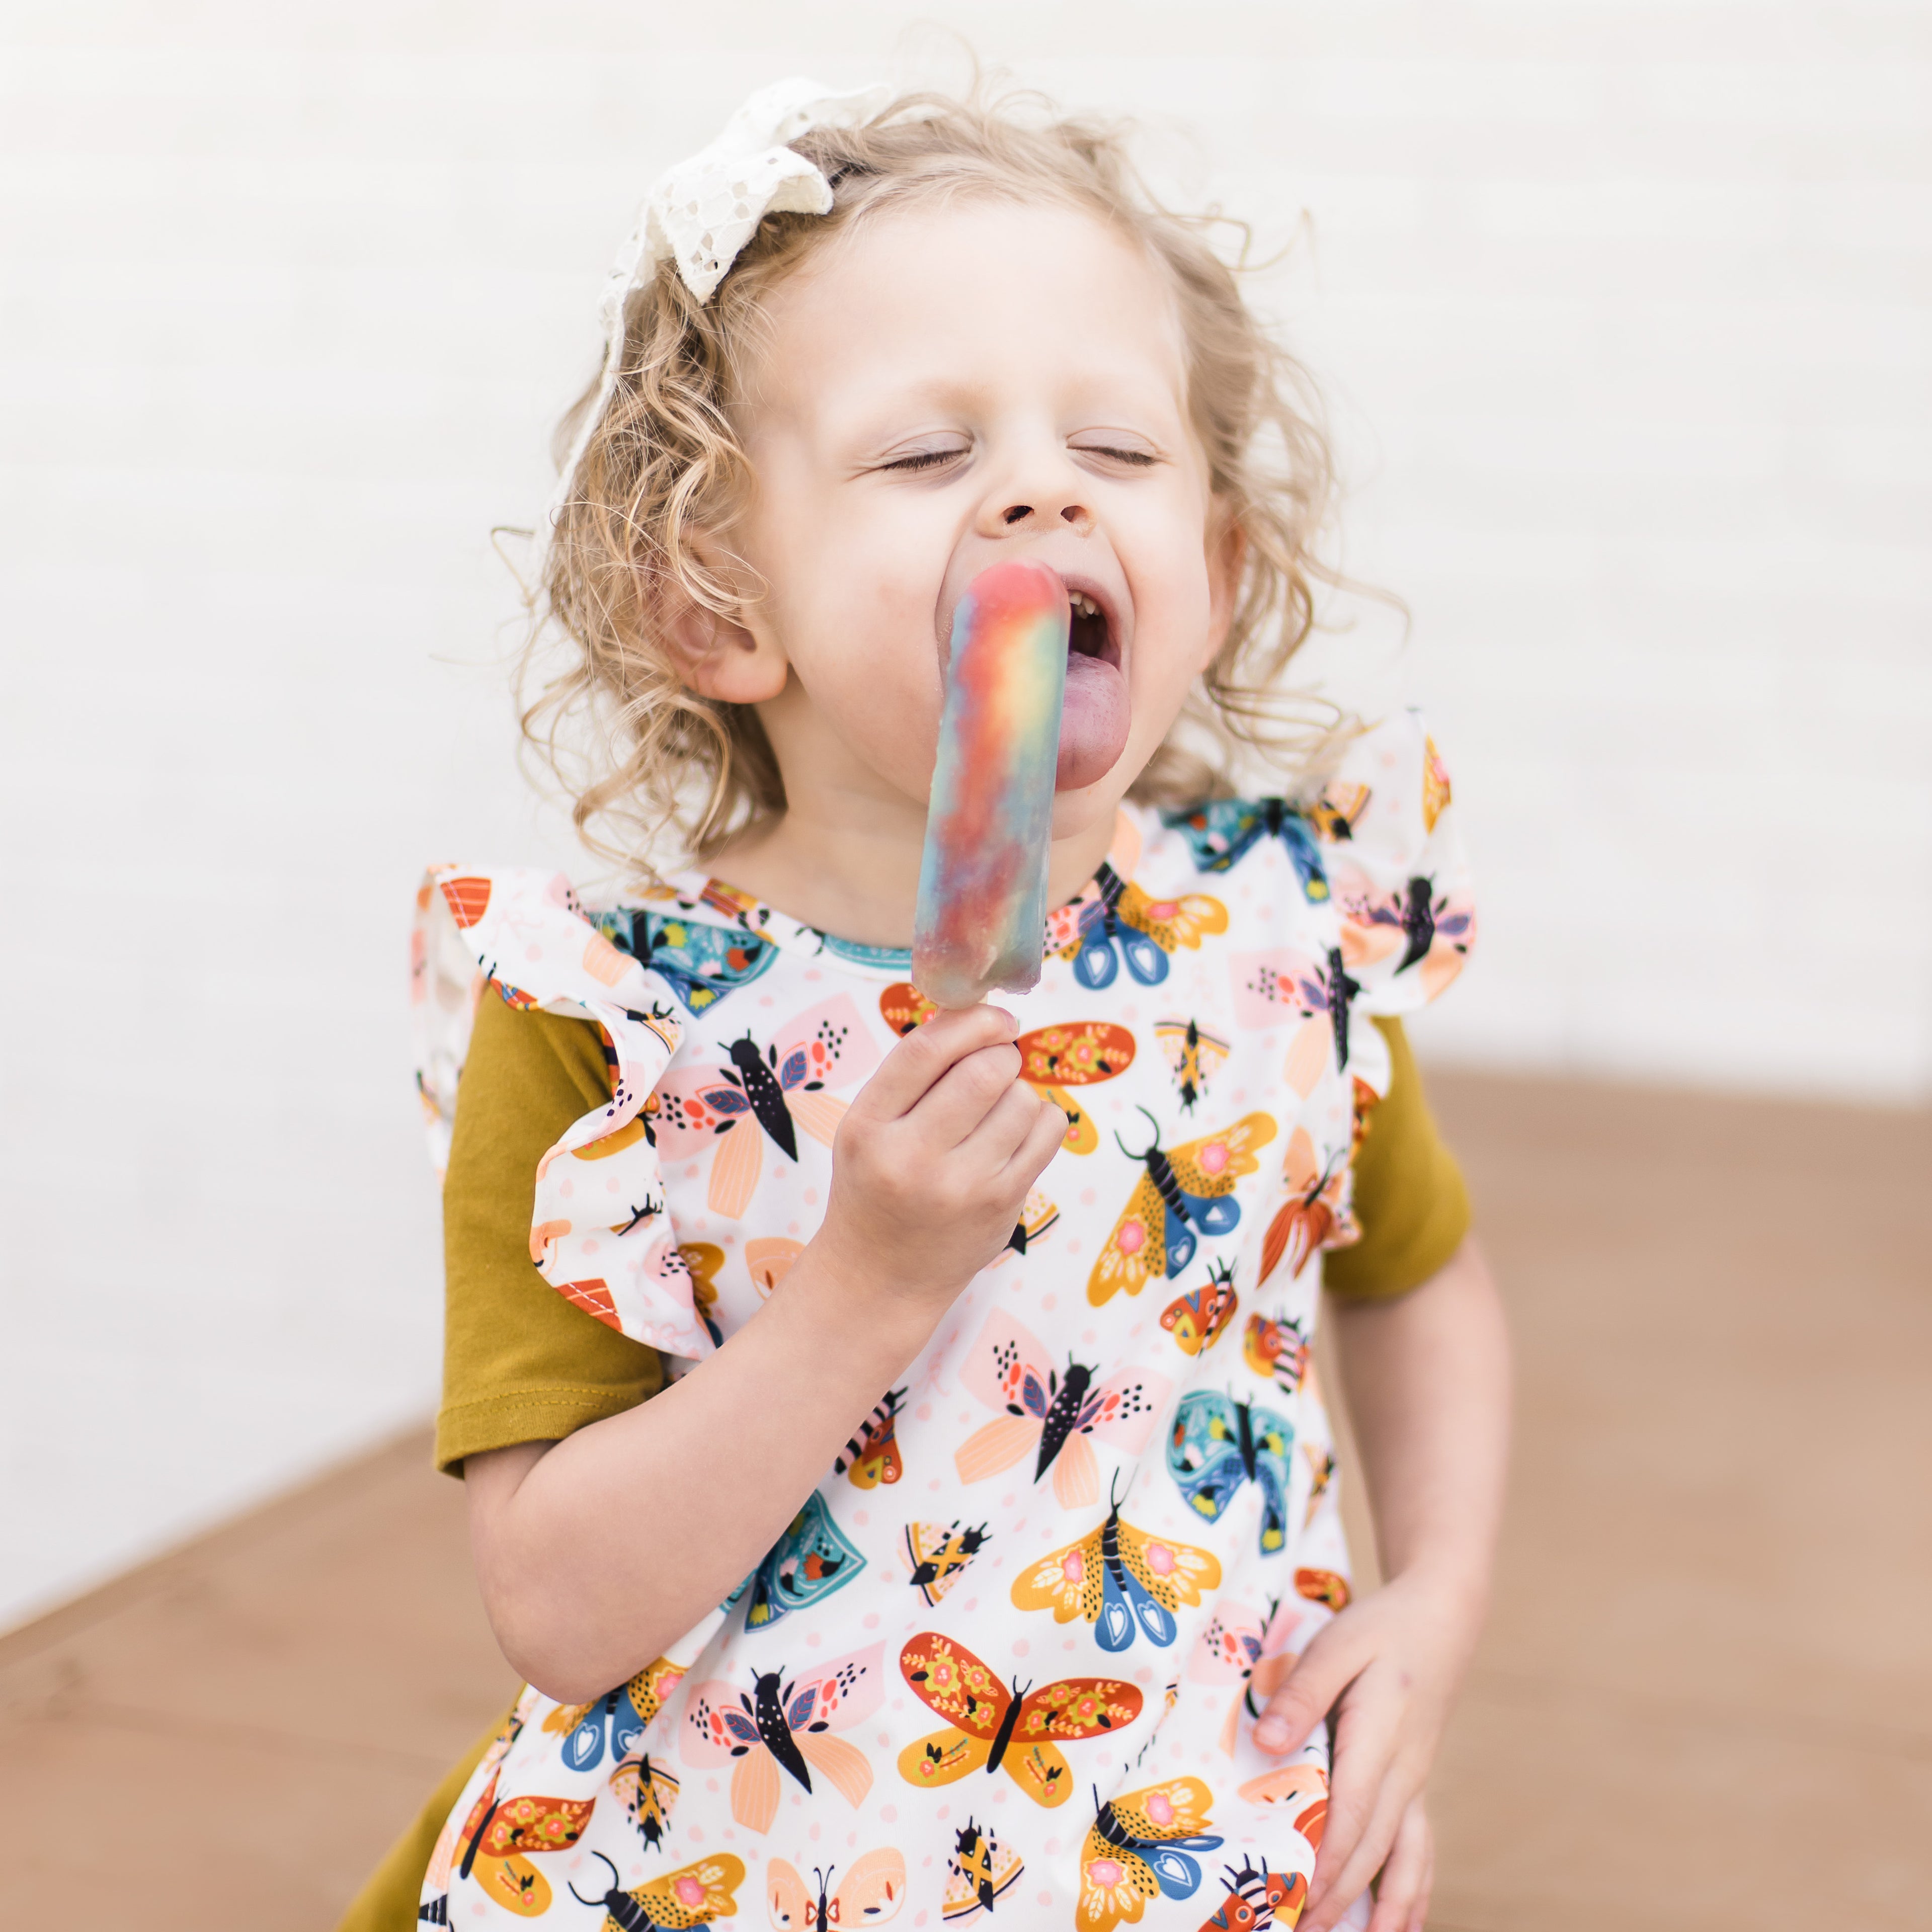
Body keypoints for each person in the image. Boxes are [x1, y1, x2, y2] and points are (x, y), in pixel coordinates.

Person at [343, 76, 1510, 1932]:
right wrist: (866, 1283)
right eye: (923, 456)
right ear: (718, 602)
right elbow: (558, 1607)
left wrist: (1431, 1604)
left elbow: (1418, 1276)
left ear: (1211, 568)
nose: (1043, 491)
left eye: (1117, 450)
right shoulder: (609, 1030)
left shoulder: (1286, 937)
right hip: (731, 1870)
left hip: (1182, 1858)